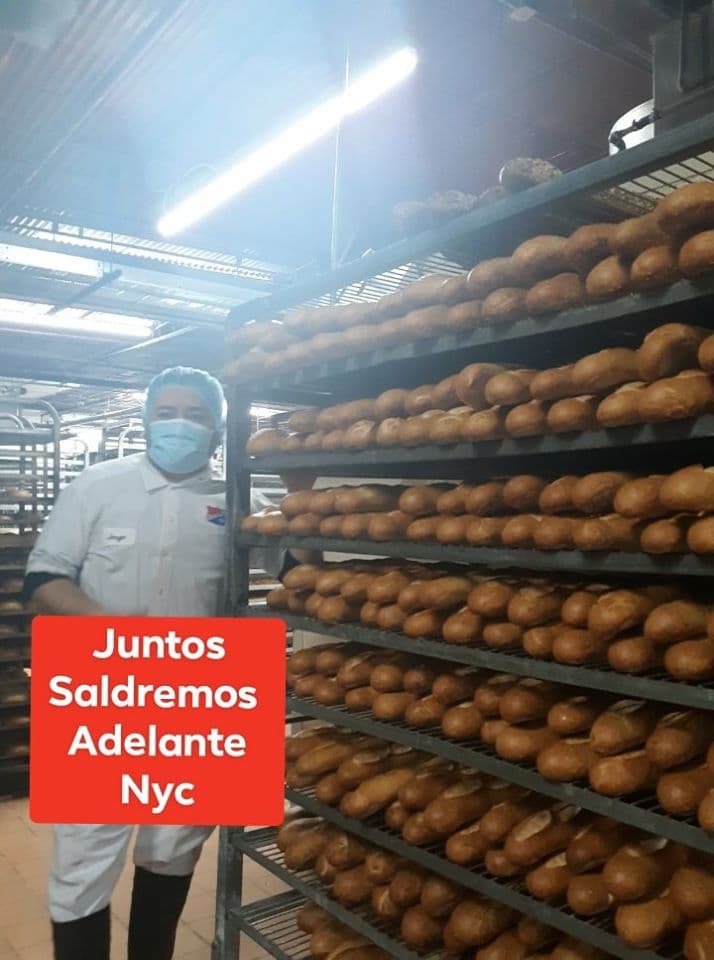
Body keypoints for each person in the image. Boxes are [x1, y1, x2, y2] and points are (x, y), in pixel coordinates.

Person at [24, 366, 309, 960]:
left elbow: (302, 575)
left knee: (175, 844)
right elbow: (44, 580)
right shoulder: (97, 486)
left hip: (204, 692)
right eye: (167, 412)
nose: (180, 425)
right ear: (146, 419)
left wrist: (302, 499)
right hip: (102, 688)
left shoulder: (240, 498)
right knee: (84, 854)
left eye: (197, 415)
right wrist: (116, 635)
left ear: (218, 428)